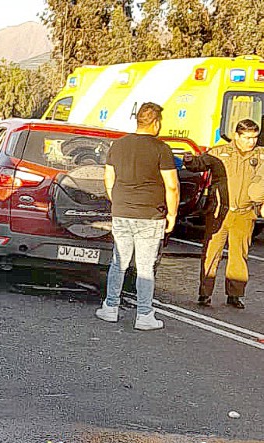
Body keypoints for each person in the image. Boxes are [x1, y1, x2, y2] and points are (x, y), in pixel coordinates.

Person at [95, 102, 179, 330]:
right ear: (156, 122)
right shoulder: (161, 149)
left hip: (122, 212)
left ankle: (110, 307)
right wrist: (172, 214)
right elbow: (171, 186)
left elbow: (108, 178)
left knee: (118, 262)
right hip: (150, 214)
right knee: (144, 267)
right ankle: (144, 315)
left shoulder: (118, 145)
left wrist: (118, 200)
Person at [185, 119, 264, 309]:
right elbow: (199, 164)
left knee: (239, 256)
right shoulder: (220, 153)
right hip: (219, 211)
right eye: (246, 138)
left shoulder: (261, 156)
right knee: (211, 253)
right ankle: (204, 293)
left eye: (254, 137)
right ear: (236, 136)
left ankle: (235, 294)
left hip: (245, 213)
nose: (251, 142)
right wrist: (189, 160)